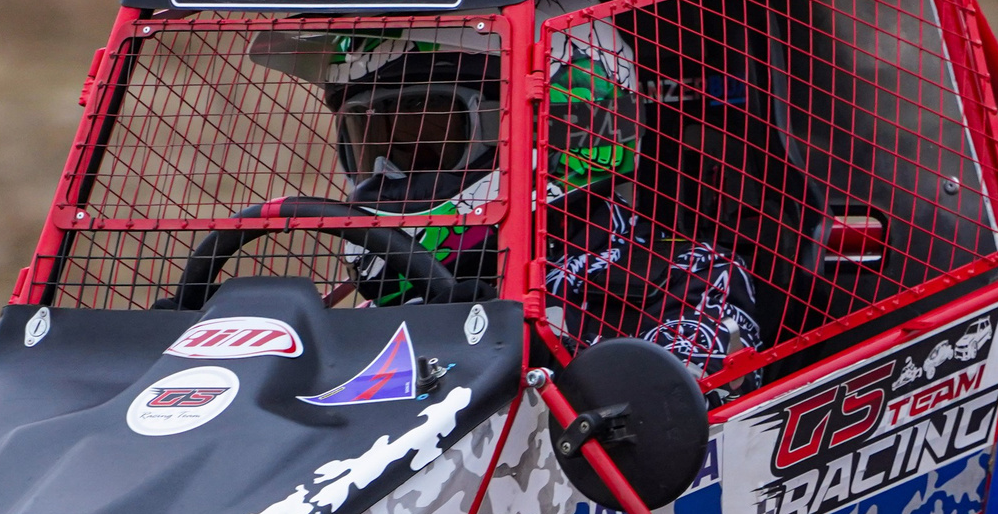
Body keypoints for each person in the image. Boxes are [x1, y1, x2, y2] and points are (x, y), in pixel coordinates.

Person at [248, 23, 763, 375]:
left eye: (426, 140)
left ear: (559, 126)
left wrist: (546, 359)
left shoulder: (690, 281)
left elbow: (673, 419)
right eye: (369, 142)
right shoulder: (369, 316)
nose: (386, 174)